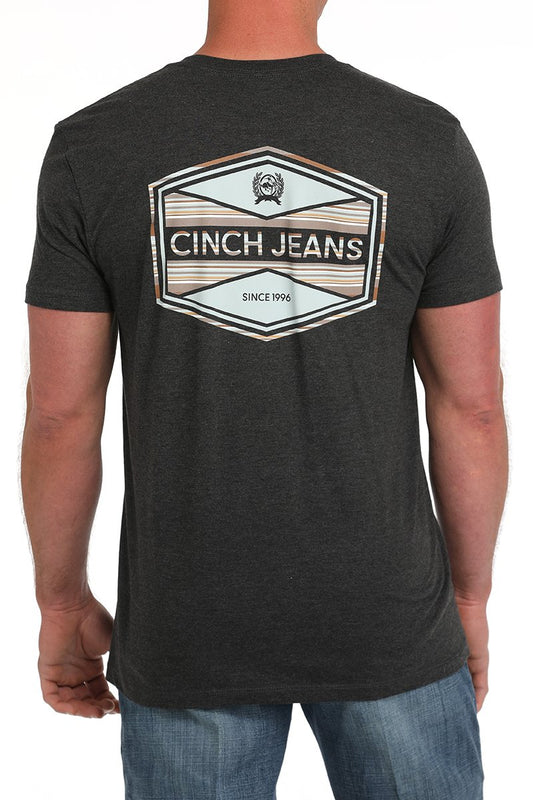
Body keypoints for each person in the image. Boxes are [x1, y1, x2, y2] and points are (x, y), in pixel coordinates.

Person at [20, 0, 508, 797]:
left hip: (186, 624)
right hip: (388, 616)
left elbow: (59, 415)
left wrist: (61, 603)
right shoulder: (424, 140)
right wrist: (468, 596)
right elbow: (471, 405)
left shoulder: (95, 143)